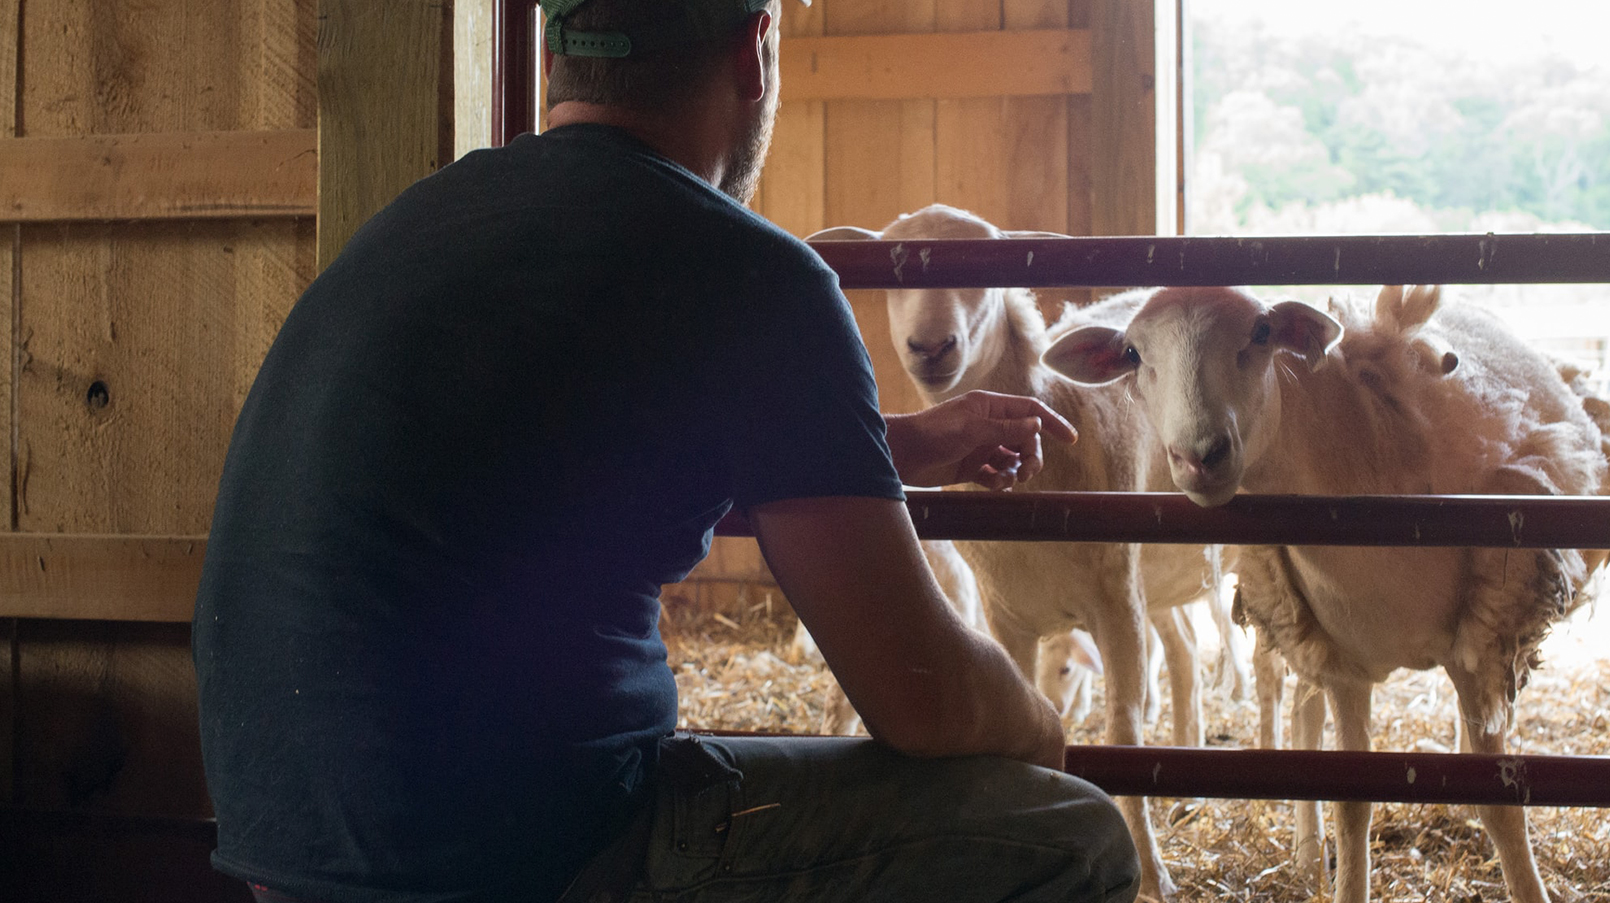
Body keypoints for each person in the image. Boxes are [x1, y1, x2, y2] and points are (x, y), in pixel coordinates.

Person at [192, 0, 1141, 901]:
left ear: (555, 57)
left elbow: (574, 451)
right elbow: (926, 701)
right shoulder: (749, 271)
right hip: (537, 857)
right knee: (1070, 834)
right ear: (754, 51)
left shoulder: (421, 221)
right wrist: (1041, 725)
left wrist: (896, 445)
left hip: (288, 851)